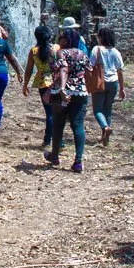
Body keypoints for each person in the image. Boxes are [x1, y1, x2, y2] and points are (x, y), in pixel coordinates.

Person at [45, 27, 89, 172]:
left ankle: (55, 155)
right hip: (80, 93)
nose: (59, 40)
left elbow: (63, 69)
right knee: (78, 126)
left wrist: (63, 88)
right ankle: (78, 161)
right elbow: (89, 71)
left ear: (67, 40)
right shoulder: (83, 54)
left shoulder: (61, 53)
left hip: (61, 93)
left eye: (61, 37)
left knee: (58, 124)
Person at [22, 24, 60, 152]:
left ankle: (48, 141)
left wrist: (25, 85)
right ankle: (60, 142)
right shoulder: (56, 48)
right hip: (57, 81)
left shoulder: (34, 51)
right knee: (58, 112)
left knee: (49, 113)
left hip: (43, 82)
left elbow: (28, 70)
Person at [89, 26, 125, 147]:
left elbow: (90, 65)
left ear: (101, 37)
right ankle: (106, 138)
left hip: (100, 82)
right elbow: (120, 71)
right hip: (113, 82)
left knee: (97, 110)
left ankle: (105, 128)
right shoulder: (116, 52)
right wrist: (122, 88)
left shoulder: (97, 49)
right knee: (108, 110)